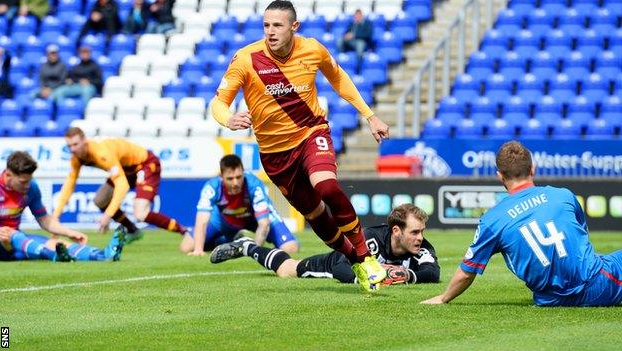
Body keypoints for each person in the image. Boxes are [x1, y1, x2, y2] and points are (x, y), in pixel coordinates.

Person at [209, 0, 390, 291]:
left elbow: (339, 79)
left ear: (294, 27)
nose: (270, 31)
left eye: (277, 25)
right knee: (315, 214)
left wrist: (369, 115)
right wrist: (227, 119)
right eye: (266, 25)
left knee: (327, 187)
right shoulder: (246, 58)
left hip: (310, 132)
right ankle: (354, 260)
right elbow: (219, 101)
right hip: (274, 154)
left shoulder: (312, 49)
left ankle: (367, 257)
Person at [422, 141, 622, 307]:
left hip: (550, 300)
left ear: (500, 176)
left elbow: (467, 272)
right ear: (532, 169)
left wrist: (444, 297)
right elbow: (582, 235)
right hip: (596, 286)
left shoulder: (492, 220)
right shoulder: (563, 195)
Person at [211, 204, 439, 289]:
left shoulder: (422, 248)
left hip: (348, 265)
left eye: (421, 232)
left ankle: (246, 246)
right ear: (396, 231)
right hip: (332, 262)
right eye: (415, 232)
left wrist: (405, 275)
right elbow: (342, 268)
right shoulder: (370, 239)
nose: (420, 237)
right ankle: (247, 246)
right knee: (287, 269)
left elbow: (432, 272)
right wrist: (373, 277)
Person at [53, 127, 190, 243]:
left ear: (84, 140)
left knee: (140, 213)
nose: (72, 149)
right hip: (125, 169)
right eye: (69, 146)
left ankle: (183, 230)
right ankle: (133, 230)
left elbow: (122, 185)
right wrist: (55, 216)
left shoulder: (101, 153)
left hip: (145, 164)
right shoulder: (76, 158)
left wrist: (108, 215)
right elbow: (69, 185)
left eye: (75, 144)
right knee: (100, 200)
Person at [0, 151, 124, 262]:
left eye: (29, 180)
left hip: (15, 243)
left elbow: (44, 219)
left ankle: (104, 255)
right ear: (8, 175)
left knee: (54, 244)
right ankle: (52, 255)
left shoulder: (32, 188)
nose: (27, 186)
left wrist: (68, 232)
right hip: (6, 240)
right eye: (23, 182)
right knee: (13, 234)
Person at [180, 154, 299, 256]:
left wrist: (254, 252)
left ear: (243, 173)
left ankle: (246, 244)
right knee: (186, 247)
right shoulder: (212, 187)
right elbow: (202, 220)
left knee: (291, 248)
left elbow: (264, 224)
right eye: (230, 179)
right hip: (223, 221)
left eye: (238, 177)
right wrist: (198, 250)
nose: (235, 183)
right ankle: (231, 242)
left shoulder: (254, 185)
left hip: (254, 220)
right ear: (221, 177)